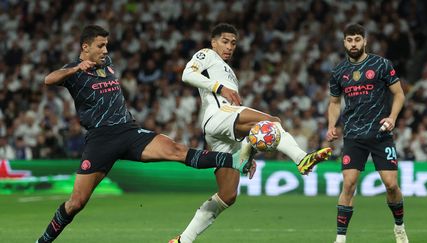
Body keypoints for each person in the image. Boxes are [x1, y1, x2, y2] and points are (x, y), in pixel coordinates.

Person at [35, 25, 255, 243]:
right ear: (85, 47)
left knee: (177, 150)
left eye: (106, 46)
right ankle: (43, 241)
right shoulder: (74, 71)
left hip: (129, 131)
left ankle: (236, 160)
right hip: (101, 139)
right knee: (76, 203)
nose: (105, 51)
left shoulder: (107, 64)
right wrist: (75, 69)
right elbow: (49, 79)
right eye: (100, 46)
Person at [169, 23, 332, 243]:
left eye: (233, 43)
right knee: (272, 122)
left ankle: (183, 240)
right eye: (225, 41)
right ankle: (301, 158)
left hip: (220, 130)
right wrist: (219, 88)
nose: (229, 47)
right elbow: (187, 74)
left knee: (228, 195)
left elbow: (244, 126)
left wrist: (247, 151)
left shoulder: (230, 73)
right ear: (213, 42)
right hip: (218, 114)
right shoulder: (207, 54)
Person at [326, 24, 408, 243]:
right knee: (349, 184)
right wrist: (331, 124)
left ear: (365, 41)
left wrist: (392, 117)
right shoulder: (339, 71)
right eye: (349, 40)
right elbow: (334, 102)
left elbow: (399, 94)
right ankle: (340, 239)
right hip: (353, 136)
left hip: (381, 134)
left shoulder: (381, 64)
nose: (353, 44)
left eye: (357, 39)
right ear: (344, 42)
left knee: (391, 185)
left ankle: (399, 227)